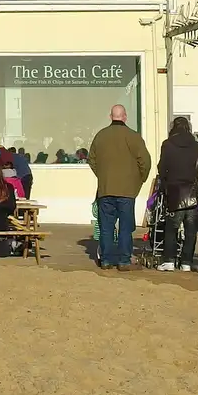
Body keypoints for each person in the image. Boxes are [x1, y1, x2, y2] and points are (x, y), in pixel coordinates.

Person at [87, 104, 152, 272]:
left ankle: (107, 260)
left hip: (106, 189)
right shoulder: (133, 136)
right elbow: (145, 161)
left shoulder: (101, 136)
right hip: (127, 191)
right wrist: (139, 179)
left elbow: (91, 159)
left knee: (106, 227)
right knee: (125, 227)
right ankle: (124, 260)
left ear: (111, 117)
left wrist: (102, 176)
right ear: (125, 117)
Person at [154, 116, 198, 273]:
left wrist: (164, 181)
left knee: (171, 227)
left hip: (174, 190)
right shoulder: (197, 146)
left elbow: (162, 168)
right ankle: (186, 262)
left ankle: (169, 260)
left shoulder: (167, 145)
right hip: (191, 190)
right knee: (191, 229)